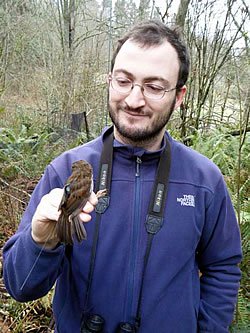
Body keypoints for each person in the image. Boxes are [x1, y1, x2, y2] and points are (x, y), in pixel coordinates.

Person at [3, 20, 242, 333]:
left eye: (154, 87)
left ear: (179, 96)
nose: (134, 100)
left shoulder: (204, 181)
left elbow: (222, 267)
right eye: (124, 81)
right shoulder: (65, 169)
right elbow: (21, 287)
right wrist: (40, 243)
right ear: (109, 81)